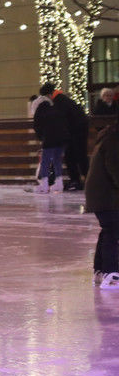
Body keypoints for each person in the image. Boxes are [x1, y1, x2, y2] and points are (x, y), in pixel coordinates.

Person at [85, 112, 119, 289]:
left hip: (101, 193)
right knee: (113, 230)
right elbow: (115, 167)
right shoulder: (114, 140)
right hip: (106, 194)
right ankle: (111, 273)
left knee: (108, 230)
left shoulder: (109, 135)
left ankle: (100, 271)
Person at [45, 83, 89, 190]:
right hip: (76, 132)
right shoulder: (62, 99)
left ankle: (84, 180)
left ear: (49, 95)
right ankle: (78, 180)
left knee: (77, 157)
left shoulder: (59, 102)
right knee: (73, 156)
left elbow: (61, 121)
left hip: (75, 133)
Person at [31, 86, 69, 193]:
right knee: (57, 160)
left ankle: (44, 185)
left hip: (49, 137)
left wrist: (41, 137)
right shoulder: (55, 106)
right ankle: (59, 183)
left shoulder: (40, 107)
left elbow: (37, 125)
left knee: (45, 161)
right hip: (61, 137)